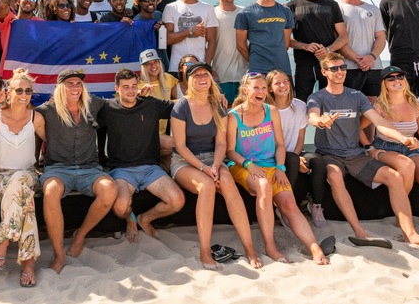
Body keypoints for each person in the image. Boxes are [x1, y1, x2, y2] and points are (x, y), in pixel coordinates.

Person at [307, 53, 419, 248]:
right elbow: (312, 115)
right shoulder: (317, 97)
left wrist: (403, 138)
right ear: (324, 72)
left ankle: (410, 234)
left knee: (395, 177)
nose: (339, 72)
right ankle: (359, 232)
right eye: (334, 69)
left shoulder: (356, 96)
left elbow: (380, 122)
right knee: (335, 176)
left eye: (342, 68)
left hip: (355, 154)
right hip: (329, 154)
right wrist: (319, 121)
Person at [226, 72, 330, 265]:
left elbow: (280, 145)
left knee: (289, 204)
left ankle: (314, 247)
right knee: (264, 186)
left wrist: (281, 168)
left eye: (264, 88)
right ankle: (270, 247)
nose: (261, 92)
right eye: (256, 88)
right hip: (244, 165)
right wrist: (249, 165)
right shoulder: (234, 116)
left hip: (271, 165)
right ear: (245, 90)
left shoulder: (270, 111)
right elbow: (230, 151)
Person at [170, 62, 262, 270]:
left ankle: (249, 248)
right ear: (190, 80)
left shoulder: (219, 104)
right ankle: (204, 251)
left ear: (211, 79)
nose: (202, 78)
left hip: (214, 158)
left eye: (206, 74)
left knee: (228, 183)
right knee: (207, 186)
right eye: (196, 75)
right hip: (185, 161)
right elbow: (181, 146)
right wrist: (204, 169)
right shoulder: (181, 106)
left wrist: (216, 165)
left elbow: (221, 143)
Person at [35, 69, 117, 273]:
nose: (75, 87)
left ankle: (80, 235)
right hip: (58, 168)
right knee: (51, 191)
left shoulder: (93, 104)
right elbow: (20, 117)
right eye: (70, 83)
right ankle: (59, 255)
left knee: (109, 190)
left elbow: (118, 104)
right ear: (60, 87)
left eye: (78, 83)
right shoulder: (47, 110)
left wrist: (141, 93)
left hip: (89, 168)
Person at [359, 66, 419, 239]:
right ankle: (403, 215)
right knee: (406, 165)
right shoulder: (379, 106)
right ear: (384, 84)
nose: (397, 80)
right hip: (385, 147)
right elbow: (358, 128)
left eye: (400, 76)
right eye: (391, 78)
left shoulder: (417, 106)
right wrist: (368, 147)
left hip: (411, 148)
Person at [103, 69, 185, 243]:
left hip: (150, 168)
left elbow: (179, 105)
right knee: (120, 207)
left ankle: (145, 219)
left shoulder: (150, 104)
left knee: (177, 201)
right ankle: (130, 218)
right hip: (122, 170)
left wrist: (209, 98)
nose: (131, 90)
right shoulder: (108, 108)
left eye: (134, 86)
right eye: (126, 87)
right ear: (117, 88)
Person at [0, 69, 45, 287]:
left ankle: (3, 242)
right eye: (19, 89)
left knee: (21, 180)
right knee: (26, 202)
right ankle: (28, 264)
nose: (24, 94)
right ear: (9, 92)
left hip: (27, 174)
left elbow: (54, 144)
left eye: (28, 90)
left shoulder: (36, 118)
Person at [265, 69, 327, 228]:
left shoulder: (299, 105)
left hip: (295, 152)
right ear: (270, 88)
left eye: (285, 81)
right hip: (273, 155)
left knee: (318, 161)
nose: (283, 85)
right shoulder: (266, 109)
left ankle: (316, 205)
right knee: (291, 159)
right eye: (277, 83)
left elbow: (301, 136)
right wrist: (292, 157)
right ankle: (284, 207)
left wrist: (298, 155)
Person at [287, 0, 348, 102]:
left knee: (330, 103)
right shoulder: (292, 6)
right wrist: (305, 46)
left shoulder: (332, 5)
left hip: (329, 64)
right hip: (304, 64)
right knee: (301, 103)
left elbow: (343, 36)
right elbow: (286, 40)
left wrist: (328, 50)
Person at [336, 0, 386, 103]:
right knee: (350, 107)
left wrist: (371, 57)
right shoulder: (337, 8)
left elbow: (381, 37)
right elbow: (337, 39)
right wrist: (358, 60)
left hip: (373, 66)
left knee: (372, 108)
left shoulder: (373, 9)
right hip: (348, 67)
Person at [235, 0, 294, 77]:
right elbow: (240, 45)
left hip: (283, 70)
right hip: (258, 71)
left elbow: (286, 44)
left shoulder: (286, 11)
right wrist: (256, 62)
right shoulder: (245, 13)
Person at [163, 0, 219, 73]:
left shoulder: (207, 8)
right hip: (177, 68)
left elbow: (212, 41)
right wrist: (190, 31)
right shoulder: (171, 8)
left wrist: (206, 65)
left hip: (200, 67)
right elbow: (167, 39)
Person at [138, 49, 177, 170]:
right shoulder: (139, 84)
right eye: (149, 63)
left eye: (156, 62)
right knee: (179, 145)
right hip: (146, 136)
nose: (153, 66)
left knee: (171, 169)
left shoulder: (168, 78)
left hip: (164, 134)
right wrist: (141, 94)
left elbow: (179, 100)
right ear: (143, 67)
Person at [212, 0, 246, 105]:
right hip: (221, 75)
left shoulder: (244, 12)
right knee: (224, 115)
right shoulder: (212, 13)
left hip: (243, 74)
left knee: (244, 114)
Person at [133, 0, 169, 70]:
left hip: (163, 62)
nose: (151, 2)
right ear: (139, 2)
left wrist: (163, 30)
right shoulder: (136, 23)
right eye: (146, 0)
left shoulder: (159, 15)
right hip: (149, 67)